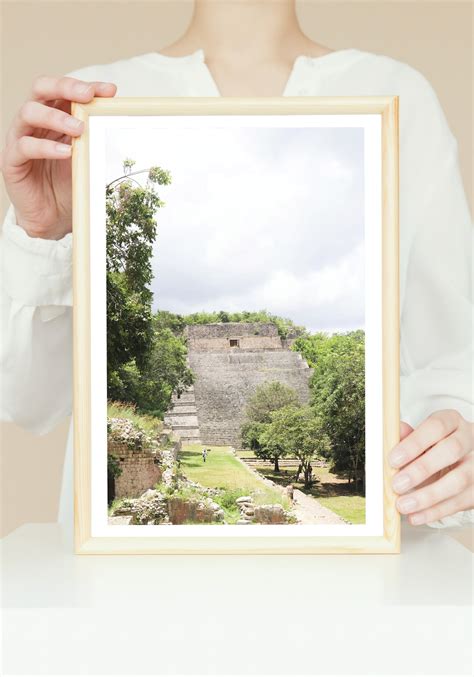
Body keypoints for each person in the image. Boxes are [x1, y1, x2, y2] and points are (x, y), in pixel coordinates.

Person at [0, 0, 472, 531]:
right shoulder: (88, 105)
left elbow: (455, 361)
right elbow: (27, 402)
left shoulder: (399, 94)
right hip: (125, 589)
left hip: (354, 585)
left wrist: (456, 445)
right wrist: (43, 233)